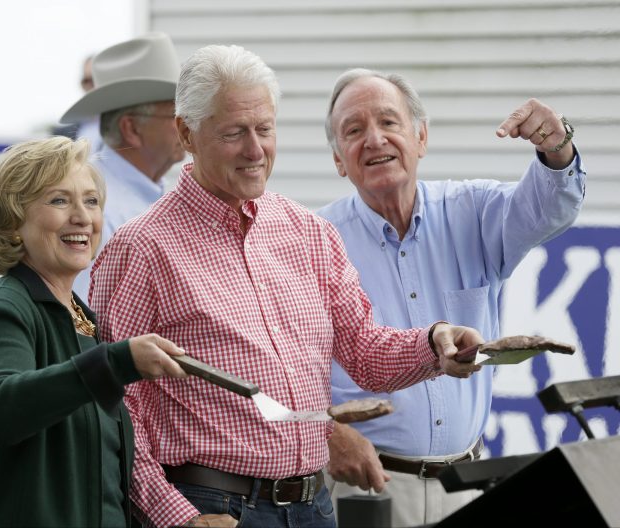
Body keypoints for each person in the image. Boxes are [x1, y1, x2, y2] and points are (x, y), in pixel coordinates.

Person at [89, 44, 485, 528]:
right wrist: (178, 519)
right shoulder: (142, 249)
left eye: (265, 129)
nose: (256, 150)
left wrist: (434, 344)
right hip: (213, 508)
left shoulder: (308, 231)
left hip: (315, 505)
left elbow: (364, 350)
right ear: (185, 133)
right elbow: (116, 415)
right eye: (234, 132)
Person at [317, 68, 585, 526]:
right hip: (367, 489)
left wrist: (556, 146)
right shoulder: (314, 240)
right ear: (340, 160)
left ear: (421, 137)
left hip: (468, 482)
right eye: (354, 130)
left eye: (389, 122)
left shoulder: (473, 211)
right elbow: (281, 367)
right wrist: (326, 435)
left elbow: (548, 209)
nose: (375, 139)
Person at [0, 136, 188, 527]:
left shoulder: (86, 319)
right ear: (12, 223)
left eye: (91, 201)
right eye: (59, 200)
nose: (82, 217)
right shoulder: (5, 308)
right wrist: (115, 362)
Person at [59, 32, 186, 301]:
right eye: (175, 115)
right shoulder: (93, 209)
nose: (187, 126)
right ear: (131, 128)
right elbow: (83, 321)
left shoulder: (118, 197)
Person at [51, 54, 104, 155]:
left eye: (96, 79)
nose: (91, 86)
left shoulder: (129, 129)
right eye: (86, 81)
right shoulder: (61, 135)